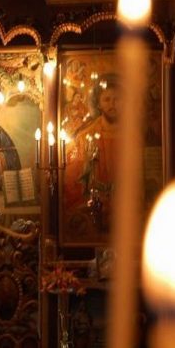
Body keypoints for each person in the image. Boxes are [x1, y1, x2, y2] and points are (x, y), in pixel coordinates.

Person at [63, 74, 119, 232]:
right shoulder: (85, 136)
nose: (112, 104)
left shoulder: (133, 136)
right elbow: (73, 178)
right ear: (98, 103)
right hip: (93, 208)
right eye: (107, 99)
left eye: (117, 99)